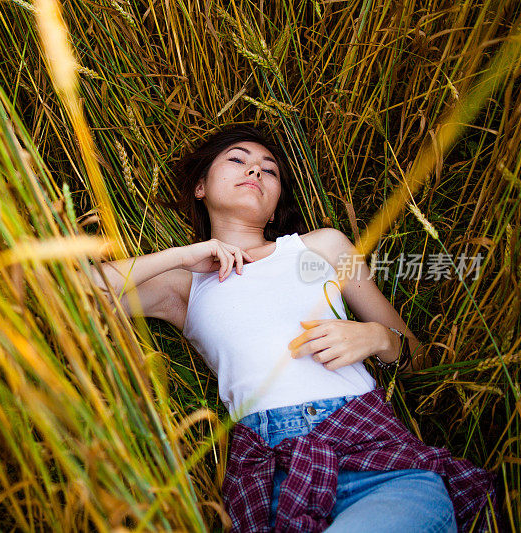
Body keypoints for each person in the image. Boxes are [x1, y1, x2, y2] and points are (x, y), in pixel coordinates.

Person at [88, 124, 497, 532]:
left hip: (374, 450)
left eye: (270, 171)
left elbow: (415, 354)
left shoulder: (322, 248)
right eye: (237, 160)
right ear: (201, 188)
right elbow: (74, 294)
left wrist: (374, 337)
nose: (255, 172)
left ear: (274, 204)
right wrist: (183, 254)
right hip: (271, 467)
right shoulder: (184, 284)